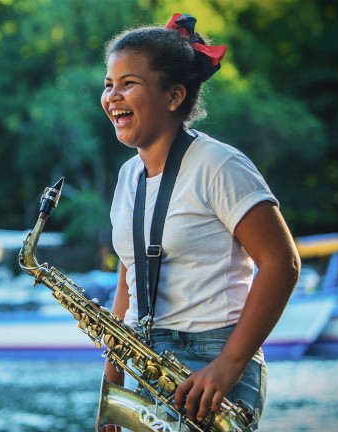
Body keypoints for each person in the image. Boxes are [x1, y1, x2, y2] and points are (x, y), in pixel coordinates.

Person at [97, 13, 301, 431]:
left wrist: (228, 366)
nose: (112, 97)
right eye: (108, 84)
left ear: (174, 96)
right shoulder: (127, 176)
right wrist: (112, 388)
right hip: (146, 360)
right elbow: (128, 281)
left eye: (128, 84)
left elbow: (282, 263)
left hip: (214, 361)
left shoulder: (218, 164)